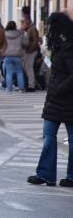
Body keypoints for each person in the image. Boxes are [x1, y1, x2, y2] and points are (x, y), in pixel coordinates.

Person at [27, 12, 73, 188]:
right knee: (48, 137)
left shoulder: (68, 47)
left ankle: (70, 177)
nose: (48, 30)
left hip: (67, 100)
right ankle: (46, 174)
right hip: (54, 100)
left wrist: (61, 89)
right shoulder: (59, 45)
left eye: (50, 26)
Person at [2, 21, 28, 92]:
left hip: (7, 55)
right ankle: (21, 88)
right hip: (17, 55)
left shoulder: (4, 34)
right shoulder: (20, 34)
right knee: (19, 72)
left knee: (9, 72)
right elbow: (25, 43)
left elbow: (2, 44)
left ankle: (9, 88)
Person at [21, 14, 40, 92]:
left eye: (23, 21)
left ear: (28, 21)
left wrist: (30, 49)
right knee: (26, 66)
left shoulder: (32, 29)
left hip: (31, 51)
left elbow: (35, 40)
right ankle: (30, 83)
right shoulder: (28, 29)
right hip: (28, 50)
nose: (22, 23)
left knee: (29, 67)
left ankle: (31, 85)